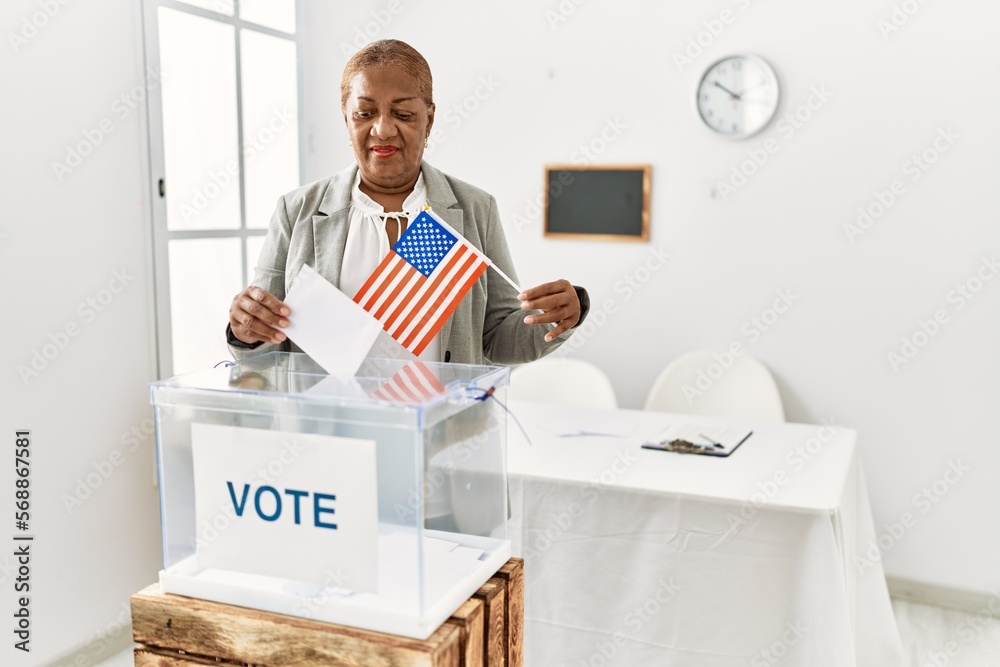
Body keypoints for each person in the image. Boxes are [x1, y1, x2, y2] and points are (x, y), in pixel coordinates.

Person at [227, 39, 589, 365]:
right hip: (331, 429)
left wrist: (561, 314)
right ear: (345, 117)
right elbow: (264, 345)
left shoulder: (476, 208)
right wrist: (244, 331)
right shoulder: (297, 211)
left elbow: (497, 340)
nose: (382, 129)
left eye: (402, 114)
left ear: (429, 119)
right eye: (365, 113)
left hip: (438, 429)